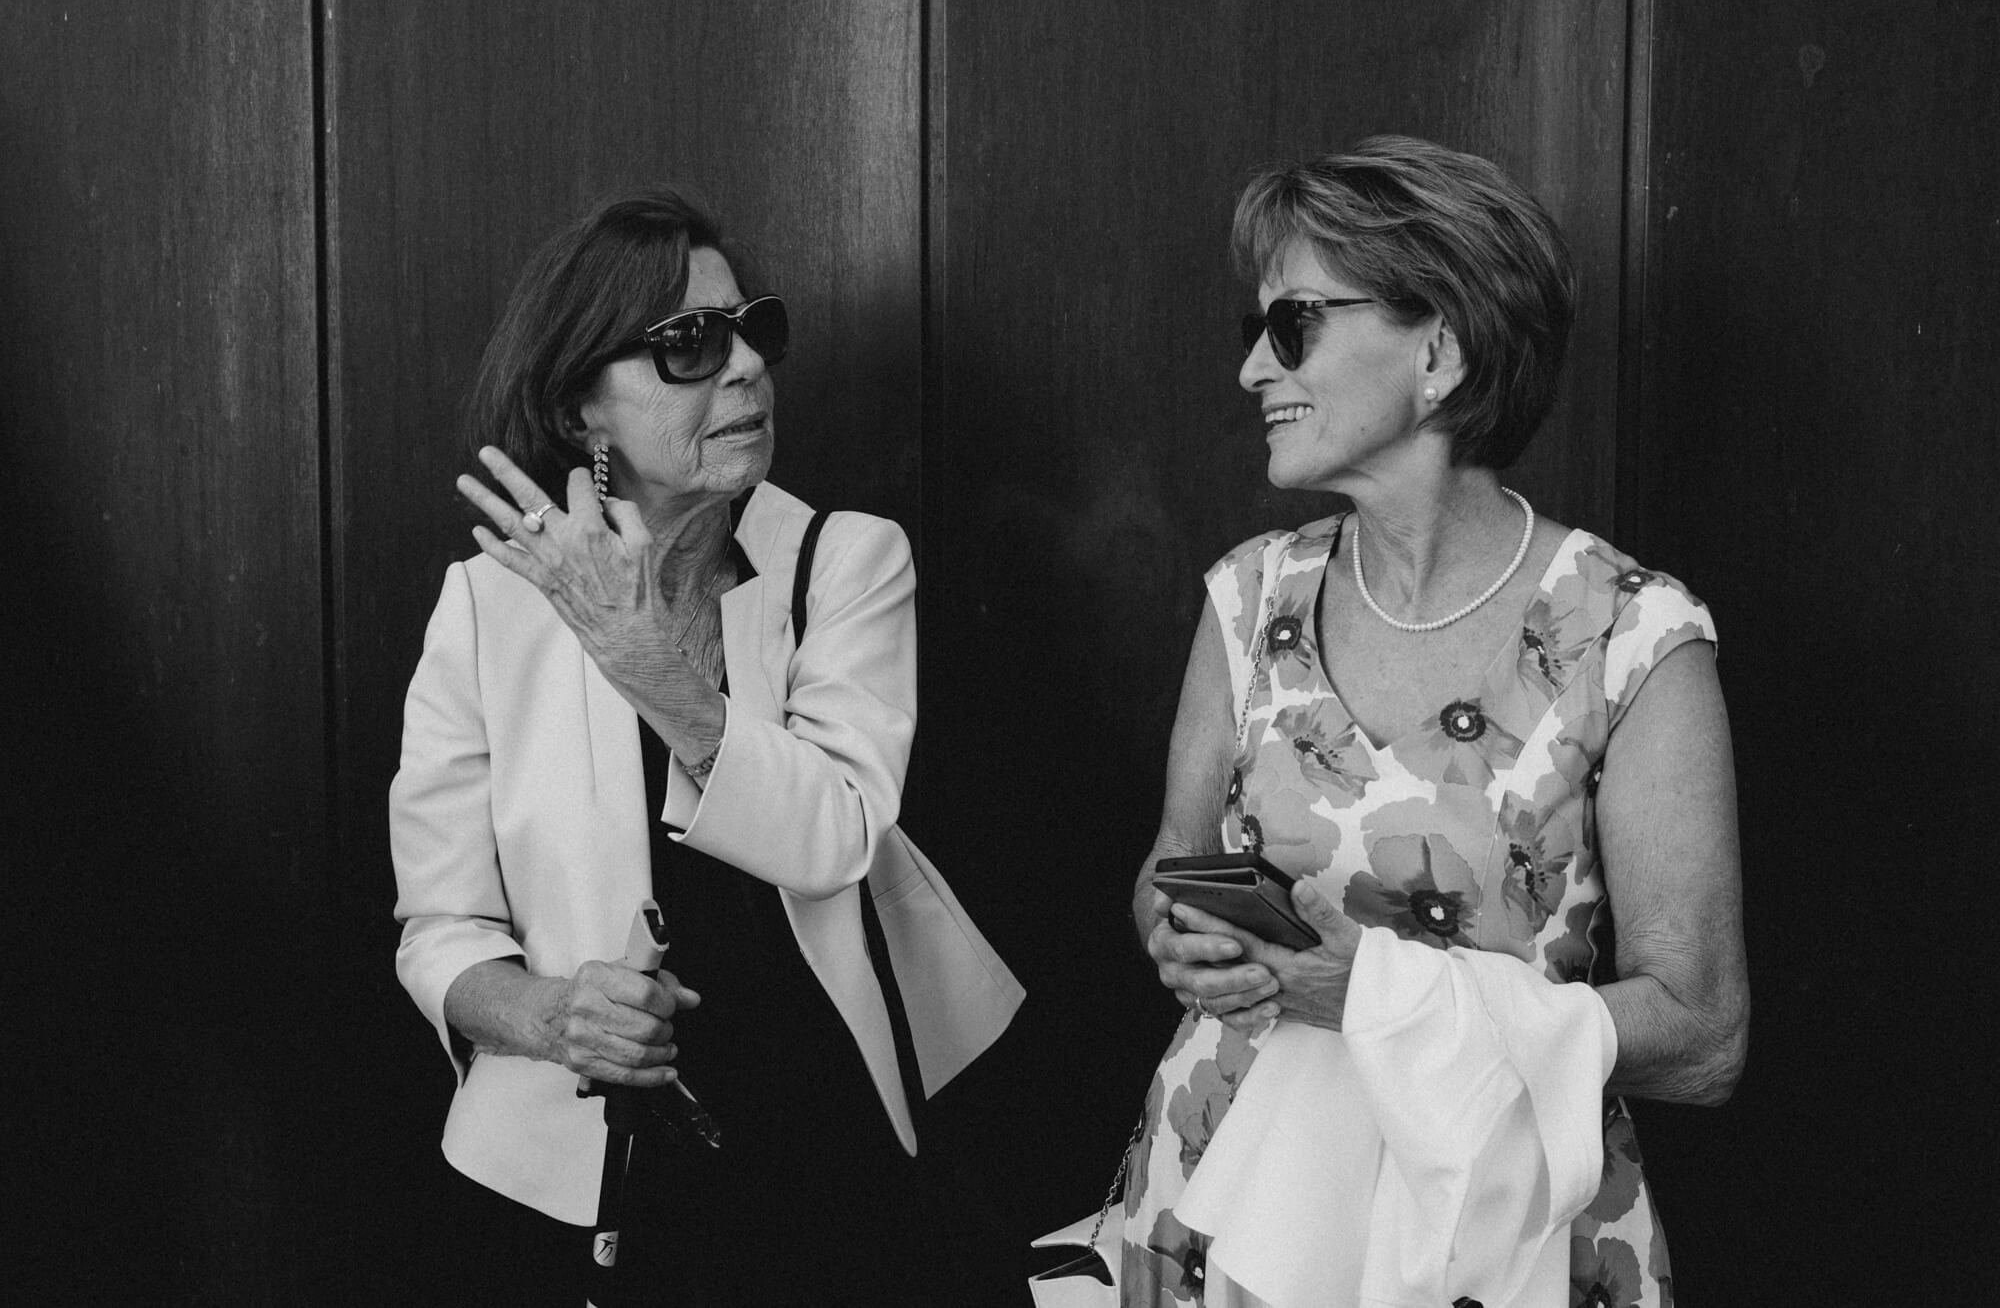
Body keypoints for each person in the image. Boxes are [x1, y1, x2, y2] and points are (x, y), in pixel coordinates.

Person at [1124, 137, 1749, 1307]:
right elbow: (1167, 865)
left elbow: (1701, 1032)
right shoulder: (1245, 594)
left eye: (1294, 323)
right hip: (1227, 1201)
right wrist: (1174, 931)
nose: (1253, 367)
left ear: (1441, 349)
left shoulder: (1629, 635)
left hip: (1494, 1233)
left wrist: (1368, 997)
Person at [390, 190, 1023, 1304]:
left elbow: (836, 833)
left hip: (818, 1136)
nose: (742, 369)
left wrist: (640, 656)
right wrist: (548, 1016)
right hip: (574, 1168)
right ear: (583, 406)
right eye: (687, 343)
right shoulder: (488, 606)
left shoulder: (845, 560)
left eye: (752, 329)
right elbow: (440, 925)